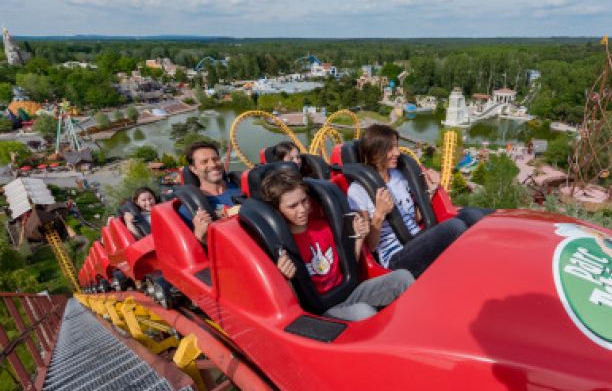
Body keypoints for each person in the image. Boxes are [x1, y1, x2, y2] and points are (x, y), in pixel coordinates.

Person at [262, 169, 413, 321]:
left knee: (403, 277)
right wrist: (284, 278)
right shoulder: (283, 246)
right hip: (322, 310)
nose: (302, 210)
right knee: (364, 312)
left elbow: (348, 264)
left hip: (348, 293)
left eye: (304, 201)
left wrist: (359, 237)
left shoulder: (324, 227)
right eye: (293, 206)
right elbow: (291, 305)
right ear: (278, 210)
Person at [347, 125, 491, 278]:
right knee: (454, 228)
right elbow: (369, 246)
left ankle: (483, 264)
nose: (397, 152)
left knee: (471, 215)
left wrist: (430, 190)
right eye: (390, 148)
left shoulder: (399, 176)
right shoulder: (358, 190)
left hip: (416, 238)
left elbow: (413, 218)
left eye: (397, 146)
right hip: (395, 257)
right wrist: (379, 214)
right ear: (376, 152)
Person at [178, 141, 240, 243]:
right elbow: (195, 253)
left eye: (216, 159)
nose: (213, 164)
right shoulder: (189, 208)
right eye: (204, 162)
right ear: (194, 169)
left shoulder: (240, 186)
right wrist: (200, 237)